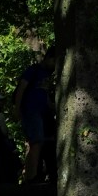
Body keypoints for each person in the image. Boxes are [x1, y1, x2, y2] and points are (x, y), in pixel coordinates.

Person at [13, 49, 57, 184]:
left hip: (42, 113)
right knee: (36, 142)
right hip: (31, 111)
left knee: (39, 143)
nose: (55, 65)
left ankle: (31, 175)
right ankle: (32, 176)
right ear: (48, 57)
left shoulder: (47, 75)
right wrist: (17, 108)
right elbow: (21, 88)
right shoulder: (34, 70)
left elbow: (45, 96)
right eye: (54, 61)